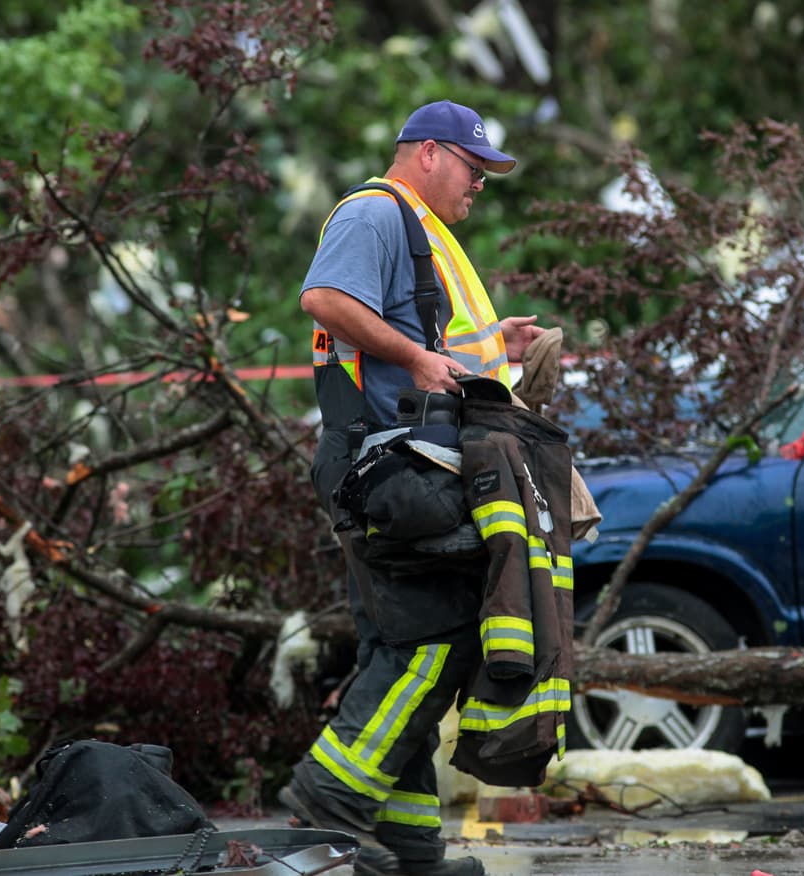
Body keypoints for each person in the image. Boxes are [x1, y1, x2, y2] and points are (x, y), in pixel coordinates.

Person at [281, 100, 543, 876]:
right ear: (427, 153)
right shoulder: (375, 213)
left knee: (401, 643)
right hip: (385, 465)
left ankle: (408, 848)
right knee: (440, 635)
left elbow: (431, 347)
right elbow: (325, 301)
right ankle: (330, 794)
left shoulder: (423, 234)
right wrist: (422, 360)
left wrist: (497, 346)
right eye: (473, 168)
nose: (480, 187)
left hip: (401, 464)